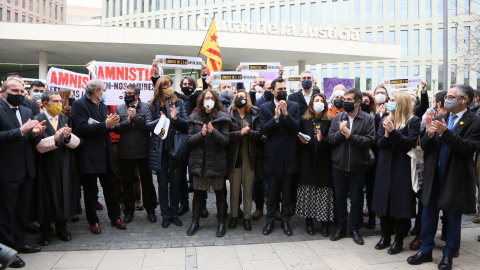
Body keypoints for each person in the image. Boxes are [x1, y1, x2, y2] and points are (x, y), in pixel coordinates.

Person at [407, 84, 480, 270]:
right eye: (447, 96)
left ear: (464, 100)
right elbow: (424, 146)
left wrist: (445, 133)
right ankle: (425, 250)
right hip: (434, 176)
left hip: (454, 177)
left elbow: (468, 147)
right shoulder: (440, 117)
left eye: (451, 96)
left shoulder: (475, 122)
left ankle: (448, 255)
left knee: (452, 219)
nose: (446, 99)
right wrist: (430, 135)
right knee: (428, 216)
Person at [0, 79, 47, 268]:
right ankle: (6, 252)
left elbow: (27, 138)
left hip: (27, 170)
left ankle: (20, 242)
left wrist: (34, 133)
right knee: (6, 213)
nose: (19, 93)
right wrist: (20, 130)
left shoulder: (27, 111)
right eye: (14, 90)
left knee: (22, 211)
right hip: (6, 171)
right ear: (3, 92)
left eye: (21, 90)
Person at [71, 79, 126, 235]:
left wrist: (113, 124)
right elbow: (81, 128)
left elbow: (105, 125)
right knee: (90, 192)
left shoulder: (101, 105)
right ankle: (93, 221)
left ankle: (115, 217)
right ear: (96, 91)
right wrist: (105, 125)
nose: (105, 92)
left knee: (110, 189)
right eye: (103, 89)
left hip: (105, 154)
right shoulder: (79, 104)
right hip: (89, 154)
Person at [372, 92, 421, 255]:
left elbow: (409, 144)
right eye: (390, 100)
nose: (390, 103)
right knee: (384, 204)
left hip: (403, 168)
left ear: (402, 103)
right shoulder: (386, 119)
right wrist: (387, 133)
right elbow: (380, 144)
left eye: (393, 100)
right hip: (385, 167)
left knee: (402, 205)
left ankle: (398, 240)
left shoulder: (414, 121)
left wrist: (394, 132)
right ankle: (385, 237)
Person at [328, 88, 376, 245]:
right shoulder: (338, 117)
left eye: (349, 100)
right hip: (339, 166)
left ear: (358, 102)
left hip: (357, 167)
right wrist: (341, 133)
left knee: (356, 200)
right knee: (340, 199)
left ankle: (354, 229)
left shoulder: (368, 119)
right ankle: (341, 227)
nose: (345, 102)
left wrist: (350, 136)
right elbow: (330, 139)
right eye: (344, 99)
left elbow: (369, 141)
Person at [34, 91, 81, 246]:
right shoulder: (37, 121)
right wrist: (54, 138)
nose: (59, 104)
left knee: (63, 195)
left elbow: (76, 143)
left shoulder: (65, 119)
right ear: (45, 104)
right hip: (46, 164)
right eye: (55, 101)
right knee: (46, 196)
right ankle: (45, 231)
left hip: (65, 162)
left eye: (60, 101)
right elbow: (37, 146)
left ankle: (62, 228)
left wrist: (67, 137)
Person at [186, 90, 230, 237]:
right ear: (202, 100)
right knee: (198, 193)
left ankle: (222, 223)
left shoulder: (223, 117)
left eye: (211, 98)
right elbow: (190, 140)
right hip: (200, 162)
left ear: (216, 100)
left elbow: (225, 140)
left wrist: (213, 132)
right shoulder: (194, 117)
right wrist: (202, 134)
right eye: (206, 98)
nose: (209, 100)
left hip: (216, 161)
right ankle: (195, 222)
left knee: (219, 193)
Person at [145, 76, 188, 228]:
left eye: (170, 84)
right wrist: (159, 120)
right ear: (159, 88)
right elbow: (147, 125)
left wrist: (175, 118)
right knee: (163, 184)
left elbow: (186, 125)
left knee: (175, 184)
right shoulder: (152, 104)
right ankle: (164, 214)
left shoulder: (179, 102)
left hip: (176, 149)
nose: (169, 87)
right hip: (160, 150)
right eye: (166, 85)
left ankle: (174, 213)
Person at [260, 77, 300, 236]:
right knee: (272, 193)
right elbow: (263, 130)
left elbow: (297, 128)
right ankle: (269, 220)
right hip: (272, 157)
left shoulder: (294, 106)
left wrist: (286, 114)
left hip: (290, 157)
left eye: (284, 89)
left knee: (287, 192)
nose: (283, 92)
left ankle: (285, 221)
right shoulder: (264, 108)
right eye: (280, 90)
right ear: (272, 91)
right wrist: (276, 118)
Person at [112, 84, 158, 224]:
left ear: (137, 95)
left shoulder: (147, 107)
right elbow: (116, 129)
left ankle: (150, 210)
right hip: (126, 152)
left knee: (147, 182)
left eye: (130, 93)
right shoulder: (120, 108)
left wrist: (136, 117)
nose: (127, 95)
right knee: (127, 183)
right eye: (125, 92)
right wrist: (128, 121)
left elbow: (149, 126)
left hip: (144, 151)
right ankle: (128, 211)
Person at [296, 93, 334, 236]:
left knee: (324, 193)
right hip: (307, 161)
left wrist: (322, 140)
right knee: (309, 192)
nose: (318, 103)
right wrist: (302, 141)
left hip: (324, 162)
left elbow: (332, 141)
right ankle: (309, 222)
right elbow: (297, 138)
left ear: (325, 104)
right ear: (311, 104)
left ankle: (325, 224)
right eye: (316, 100)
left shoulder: (330, 120)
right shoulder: (303, 120)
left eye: (321, 101)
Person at [226, 90, 261, 231]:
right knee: (234, 190)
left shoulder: (254, 115)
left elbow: (259, 134)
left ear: (248, 99)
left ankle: (246, 217)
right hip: (234, 157)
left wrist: (249, 132)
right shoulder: (229, 115)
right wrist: (240, 133)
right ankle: (234, 216)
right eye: (238, 97)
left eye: (243, 97)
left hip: (249, 157)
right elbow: (226, 135)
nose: (241, 99)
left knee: (247, 190)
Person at [360, 92, 381, 230]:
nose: (364, 103)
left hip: (371, 157)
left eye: (367, 101)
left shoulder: (376, 117)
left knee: (371, 189)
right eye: (362, 101)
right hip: (358, 156)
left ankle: (372, 217)